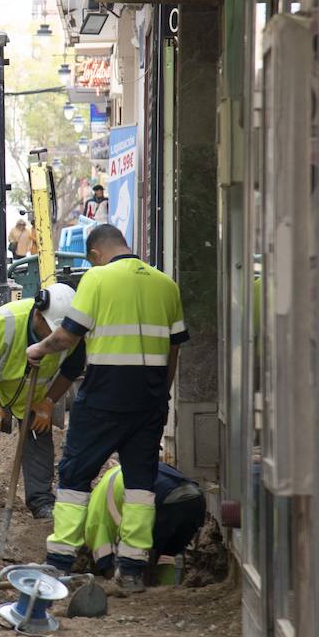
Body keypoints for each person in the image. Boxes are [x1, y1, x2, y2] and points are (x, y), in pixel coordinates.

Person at [27, 223, 189, 593]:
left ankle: (59, 564)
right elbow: (174, 350)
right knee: (140, 486)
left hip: (103, 398)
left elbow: (68, 336)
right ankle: (131, 570)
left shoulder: (97, 279)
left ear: (96, 254)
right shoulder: (166, 285)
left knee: (73, 477)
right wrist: (160, 397)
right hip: (148, 401)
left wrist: (37, 349)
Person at [0, 283, 84, 519]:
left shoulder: (71, 334)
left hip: (29, 386)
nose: (57, 341)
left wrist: (48, 403)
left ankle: (41, 500)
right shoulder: (5, 323)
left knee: (38, 431)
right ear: (38, 316)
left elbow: (72, 370)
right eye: (51, 333)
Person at [74, 462, 206, 585]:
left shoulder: (93, 519)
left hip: (164, 503)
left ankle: (148, 587)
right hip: (195, 498)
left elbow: (104, 554)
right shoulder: (116, 476)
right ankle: (170, 587)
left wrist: (112, 575)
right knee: (169, 552)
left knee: (146, 550)